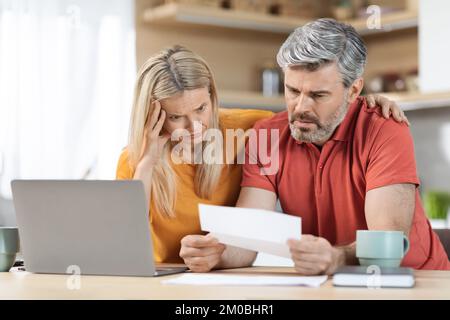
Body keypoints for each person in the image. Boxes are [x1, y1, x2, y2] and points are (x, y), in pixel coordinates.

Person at [180, 19, 450, 273]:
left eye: (318, 95)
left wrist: (337, 257)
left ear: (354, 91)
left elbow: (388, 243)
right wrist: (217, 254)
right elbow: (249, 236)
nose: (301, 107)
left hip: (417, 282)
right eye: (293, 91)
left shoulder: (384, 129)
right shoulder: (268, 135)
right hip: (331, 283)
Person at [116, 45, 408, 268]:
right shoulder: (134, 160)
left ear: (213, 97)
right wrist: (147, 164)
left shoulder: (246, 127)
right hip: (162, 282)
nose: (194, 127)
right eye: (176, 116)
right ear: (150, 114)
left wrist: (361, 103)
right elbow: (123, 245)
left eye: (201, 109)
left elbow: (312, 116)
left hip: (224, 276)